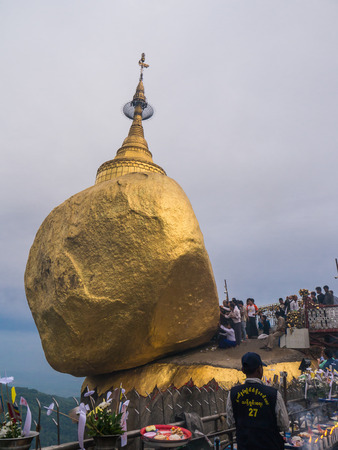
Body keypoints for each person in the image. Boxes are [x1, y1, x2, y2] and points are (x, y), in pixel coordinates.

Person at [226, 352, 289, 450]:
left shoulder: (233, 393)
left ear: (243, 370)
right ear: (260, 370)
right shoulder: (273, 394)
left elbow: (230, 422)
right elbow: (284, 426)